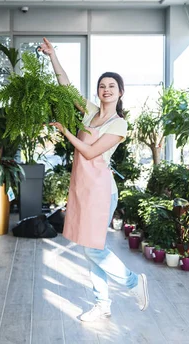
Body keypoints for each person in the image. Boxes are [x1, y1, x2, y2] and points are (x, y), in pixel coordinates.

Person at [39, 38, 149, 322]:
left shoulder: (118, 124)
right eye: (102, 86)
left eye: (112, 86)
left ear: (120, 92)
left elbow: (88, 152)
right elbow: (66, 86)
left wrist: (65, 131)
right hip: (82, 188)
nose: (106, 89)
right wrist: (53, 56)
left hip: (101, 190)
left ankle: (133, 283)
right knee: (90, 247)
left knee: (92, 246)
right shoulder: (90, 112)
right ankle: (102, 303)